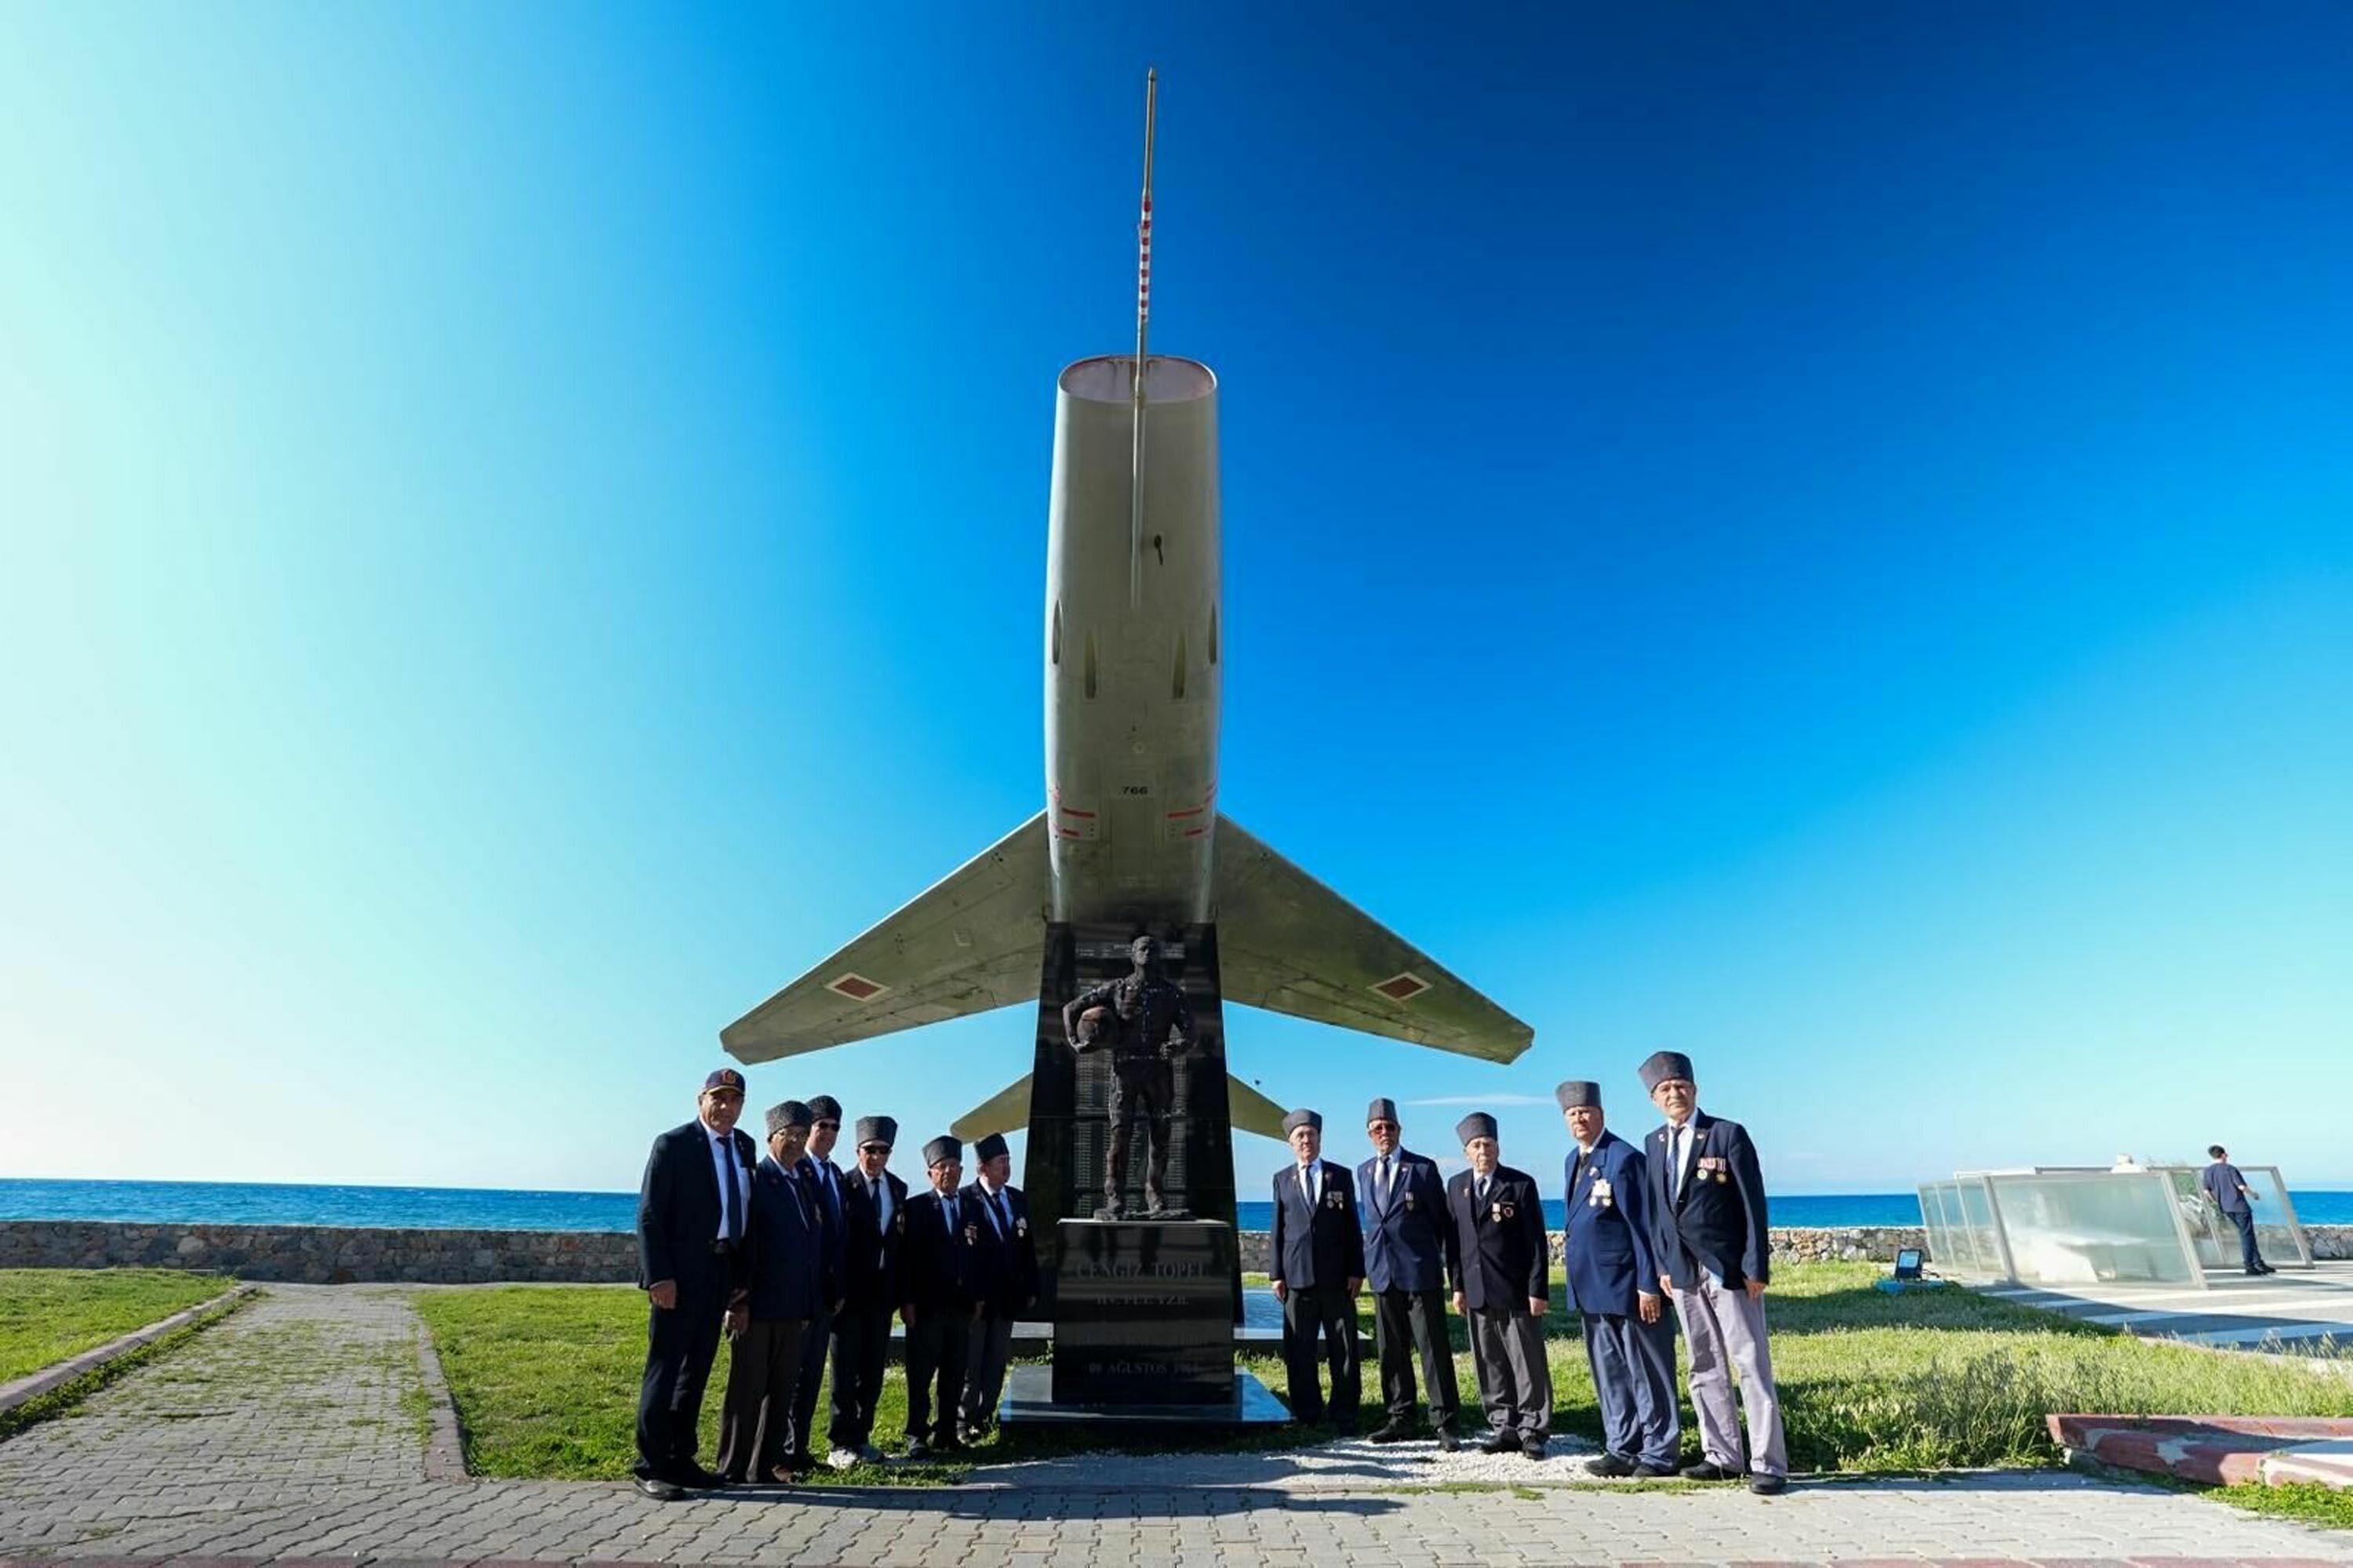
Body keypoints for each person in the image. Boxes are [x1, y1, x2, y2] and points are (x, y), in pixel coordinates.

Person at [1640, 1050, 1787, 1495]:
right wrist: (1663, 1265)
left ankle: (1768, 1463)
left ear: (1695, 1090)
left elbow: (1752, 1204)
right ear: (1654, 1098)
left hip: (1729, 1269)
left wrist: (1755, 1266)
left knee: (1750, 1362)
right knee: (1703, 1364)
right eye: (1665, 1089)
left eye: (1681, 1086)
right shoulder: (1654, 1143)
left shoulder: (1726, 1134)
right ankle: (1722, 1456)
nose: (1674, 1094)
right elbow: (1656, 1211)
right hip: (1682, 1272)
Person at [631, 1067, 756, 1500]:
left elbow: (744, 1212)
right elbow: (650, 1215)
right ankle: (650, 1464)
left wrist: (740, 1282)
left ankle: (680, 1457)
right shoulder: (674, 1144)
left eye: (734, 1100)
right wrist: (659, 1276)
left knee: (697, 1370)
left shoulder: (744, 1146)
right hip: (679, 1276)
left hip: (720, 1272)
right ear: (701, 1100)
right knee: (665, 1368)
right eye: (717, 1098)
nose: (726, 1107)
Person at [1556, 1079, 1678, 1479]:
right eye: (1572, 1113)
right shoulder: (1573, 1160)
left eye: (1585, 1112)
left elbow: (1644, 1226)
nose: (1579, 1118)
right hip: (1592, 1289)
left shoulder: (1624, 1158)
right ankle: (1622, 1446)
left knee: (1647, 1372)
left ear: (1601, 1115)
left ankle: (1659, 1452)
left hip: (1628, 1287)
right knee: (1610, 1375)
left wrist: (1648, 1284)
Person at [715, 1101, 827, 1484]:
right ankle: (733, 1468)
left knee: (780, 1393)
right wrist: (737, 1301)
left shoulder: (803, 1182)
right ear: (770, 1138)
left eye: (801, 1135)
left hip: (793, 1308)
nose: (795, 1142)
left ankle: (764, 1466)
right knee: (746, 1391)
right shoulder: (755, 1180)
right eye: (788, 1135)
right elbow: (741, 1244)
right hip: (758, 1306)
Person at [1063, 934, 1196, 1217]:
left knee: (1160, 1136)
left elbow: (1191, 1032)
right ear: (1133, 955)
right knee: (1120, 1136)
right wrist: (1074, 1041)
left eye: (1153, 949)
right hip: (1125, 1070)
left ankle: (1155, 1197)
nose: (1148, 952)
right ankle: (1114, 1198)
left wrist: (1178, 1046)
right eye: (1142, 948)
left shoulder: (1171, 994)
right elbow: (1070, 1009)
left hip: (1158, 1070)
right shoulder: (1117, 988)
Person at [1444, 1111, 1551, 1459]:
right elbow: (1454, 1243)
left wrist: (1537, 1289)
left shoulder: (1519, 1184)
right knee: (1489, 1362)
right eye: (1476, 1145)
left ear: (1498, 1147)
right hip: (1477, 1290)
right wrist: (1457, 1286)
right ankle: (1504, 1425)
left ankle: (1532, 1429)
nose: (1483, 1151)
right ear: (1466, 1152)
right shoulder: (1456, 1186)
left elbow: (1536, 1242)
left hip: (1515, 1290)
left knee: (1527, 1362)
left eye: (1488, 1144)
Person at [1355, 1097, 1460, 1448]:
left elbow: (1440, 1223)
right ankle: (1400, 1417)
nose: (1384, 1133)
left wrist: (1431, 1258)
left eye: (1389, 1127)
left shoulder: (1422, 1169)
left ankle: (1444, 1421)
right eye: (1377, 1129)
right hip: (1383, 1274)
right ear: (1369, 1134)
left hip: (1419, 1272)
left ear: (1399, 1130)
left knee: (1432, 1348)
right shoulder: (1364, 1171)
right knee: (1392, 1351)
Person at [1269, 1108, 1365, 1432]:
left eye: (1311, 1134)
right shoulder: (1282, 1179)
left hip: (1337, 1278)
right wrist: (1276, 1274)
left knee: (1344, 1348)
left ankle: (1345, 1411)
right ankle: (1307, 1411)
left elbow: (1352, 1226)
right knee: (1300, 1349)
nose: (1306, 1140)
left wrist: (1356, 1271)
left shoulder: (1340, 1176)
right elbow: (1278, 1230)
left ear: (1320, 1139)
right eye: (1300, 1136)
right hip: (1297, 1278)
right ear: (1291, 1143)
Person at [826, 1114, 905, 1469]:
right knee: (844, 1371)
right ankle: (840, 1441)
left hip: (881, 1296)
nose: (876, 1157)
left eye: (883, 1151)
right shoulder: (844, 1185)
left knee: (872, 1371)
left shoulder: (897, 1188)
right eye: (870, 1150)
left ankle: (862, 1436)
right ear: (858, 1150)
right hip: (849, 1295)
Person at [900, 1133, 983, 1460]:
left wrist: (977, 1297)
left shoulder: (972, 1207)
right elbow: (906, 1260)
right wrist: (907, 1301)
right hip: (926, 1308)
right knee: (921, 1376)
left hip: (960, 1307)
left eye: (954, 1166)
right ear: (930, 1173)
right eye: (942, 1166)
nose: (949, 1172)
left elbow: (979, 1256)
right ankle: (916, 1435)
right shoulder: (916, 1208)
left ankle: (947, 1432)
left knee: (954, 1372)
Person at [958, 1131, 1038, 1442]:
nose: (1006, 1168)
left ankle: (985, 1415)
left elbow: (1027, 1247)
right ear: (983, 1168)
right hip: (978, 1299)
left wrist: (1031, 1287)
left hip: (1007, 1298)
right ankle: (962, 1420)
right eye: (1000, 1162)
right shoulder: (966, 1199)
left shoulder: (1016, 1199)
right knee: (971, 1362)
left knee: (996, 1360)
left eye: (1008, 1160)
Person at [783, 1093, 848, 1473]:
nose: (828, 1133)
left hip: (826, 1296)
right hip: (800, 1294)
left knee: (811, 1378)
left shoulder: (835, 1175)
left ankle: (802, 1450)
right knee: (791, 1377)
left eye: (835, 1127)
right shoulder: (797, 1169)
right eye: (822, 1125)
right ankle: (785, 1452)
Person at [2202, 1144, 2275, 1275]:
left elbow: (2206, 1191)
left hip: (2225, 1207)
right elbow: (2241, 1186)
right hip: (2239, 1206)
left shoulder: (2208, 1171)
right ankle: (2249, 1266)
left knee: (2247, 1234)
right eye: (2226, 1154)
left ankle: (2258, 1263)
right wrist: (2254, 1195)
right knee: (2246, 1236)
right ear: (2223, 1155)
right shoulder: (2230, 1169)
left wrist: (2216, 1201)